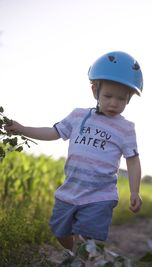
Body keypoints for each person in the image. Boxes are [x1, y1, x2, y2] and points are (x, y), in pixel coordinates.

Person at [5, 51, 143, 253]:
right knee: (60, 232)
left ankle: (77, 265)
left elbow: (133, 160)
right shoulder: (78, 116)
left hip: (100, 195)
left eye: (121, 99)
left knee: (87, 236)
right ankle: (76, 255)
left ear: (129, 98)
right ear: (95, 90)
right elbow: (53, 132)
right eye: (108, 96)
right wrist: (22, 129)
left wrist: (134, 191)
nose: (114, 103)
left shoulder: (126, 128)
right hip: (70, 191)